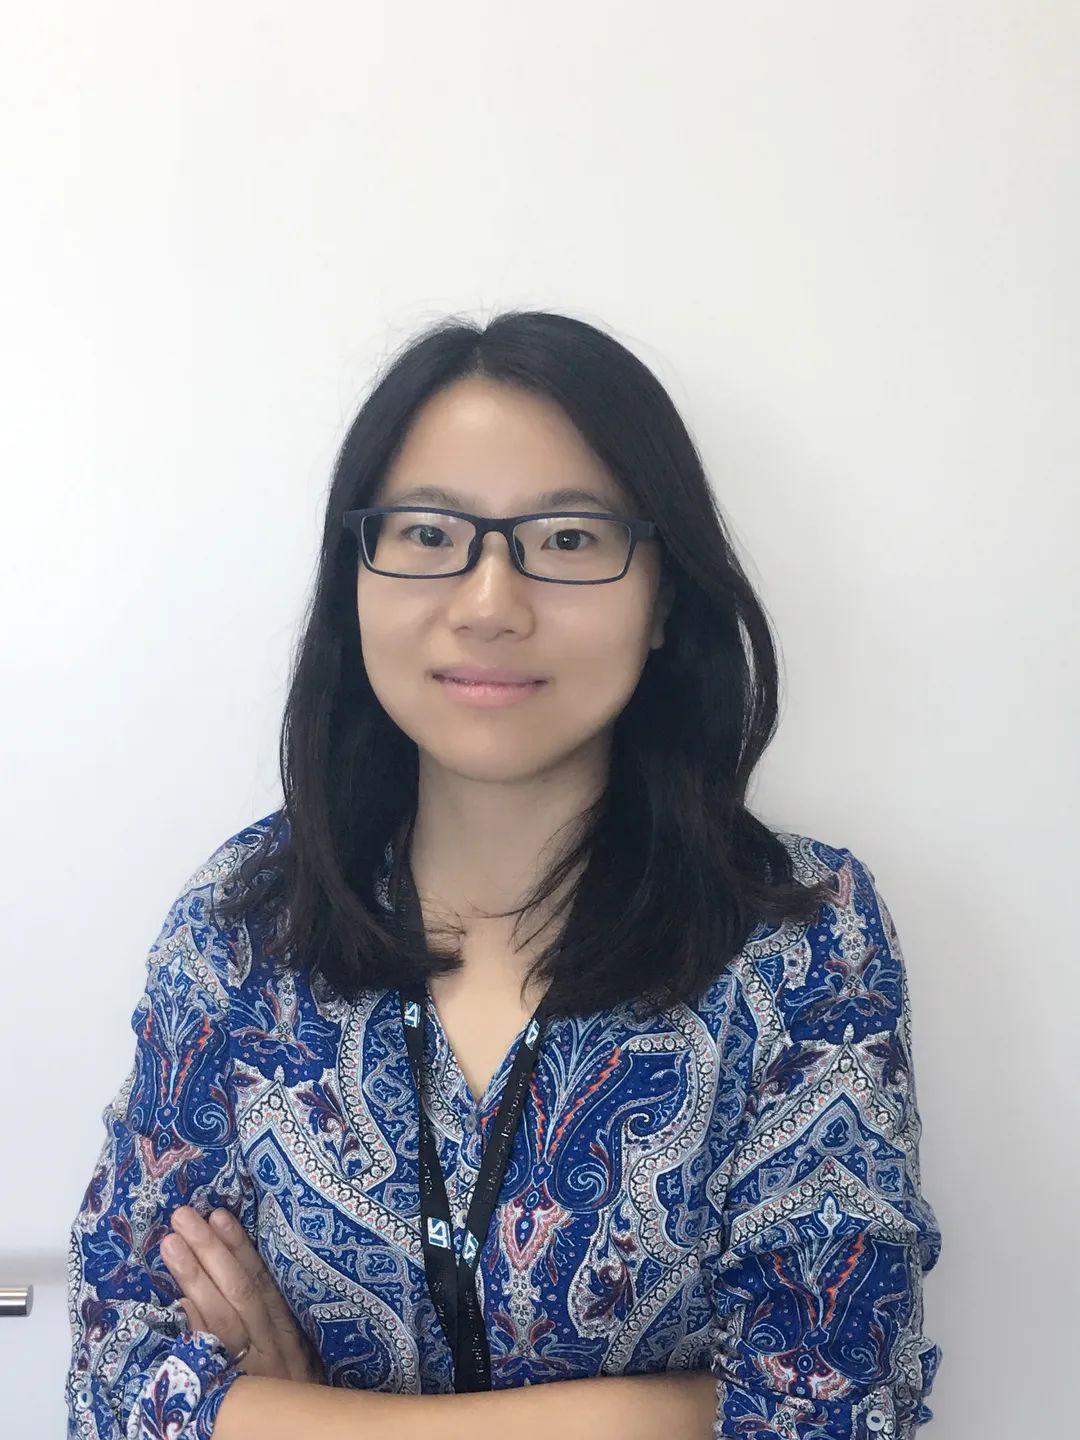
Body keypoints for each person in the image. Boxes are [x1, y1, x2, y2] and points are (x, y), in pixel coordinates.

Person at [64, 310, 942, 1439]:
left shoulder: (804, 938)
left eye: (568, 539)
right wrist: (676, 1411)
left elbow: (834, 1408)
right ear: (355, 575)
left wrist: (290, 1415)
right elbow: (115, 1383)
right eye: (429, 533)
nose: (489, 603)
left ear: (664, 596)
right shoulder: (247, 921)